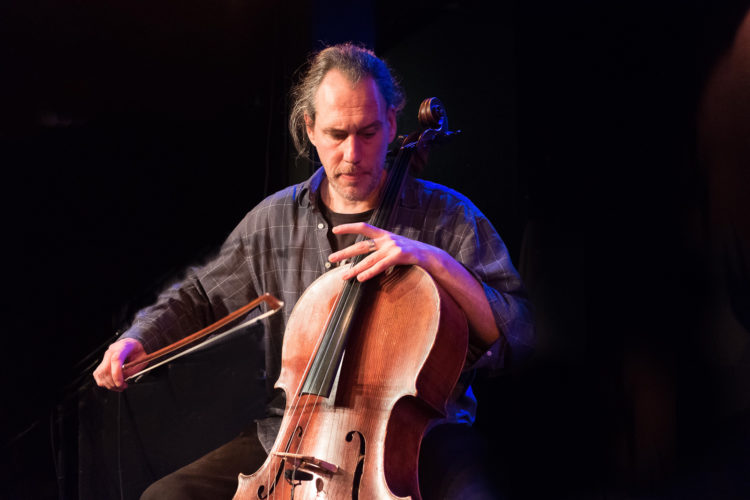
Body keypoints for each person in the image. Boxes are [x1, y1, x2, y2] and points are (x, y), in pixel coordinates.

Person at [93, 43, 534, 499]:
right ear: (310, 128)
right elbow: (201, 295)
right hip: (291, 437)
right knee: (165, 497)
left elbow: (518, 335)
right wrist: (141, 337)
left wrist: (433, 260)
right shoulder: (274, 219)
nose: (352, 153)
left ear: (391, 124)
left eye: (367, 132)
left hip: (422, 437)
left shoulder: (449, 217)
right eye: (336, 134)